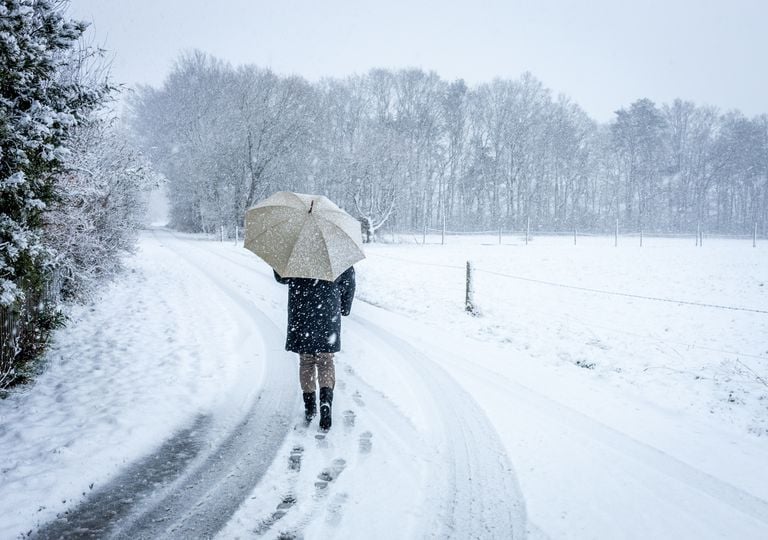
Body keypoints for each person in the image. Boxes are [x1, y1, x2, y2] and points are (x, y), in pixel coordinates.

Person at [274, 266, 356, 430]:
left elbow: (282, 278)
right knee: (326, 361)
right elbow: (349, 282)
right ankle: (325, 402)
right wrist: (344, 307)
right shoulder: (335, 255)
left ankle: (310, 406)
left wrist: (278, 265)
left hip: (302, 311)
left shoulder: (297, 255)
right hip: (328, 311)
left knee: (306, 361)